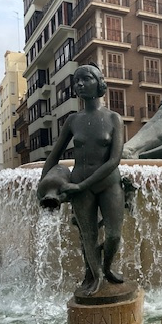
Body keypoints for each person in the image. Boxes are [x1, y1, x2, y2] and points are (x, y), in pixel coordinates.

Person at [38, 63, 125, 296]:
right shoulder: (72, 121)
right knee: (88, 235)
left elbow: (114, 160)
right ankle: (94, 276)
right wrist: (43, 184)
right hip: (78, 184)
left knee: (114, 235)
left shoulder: (114, 119)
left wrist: (82, 185)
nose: (80, 84)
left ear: (99, 83)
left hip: (107, 182)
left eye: (86, 79)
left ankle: (107, 267)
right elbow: (54, 155)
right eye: (76, 81)